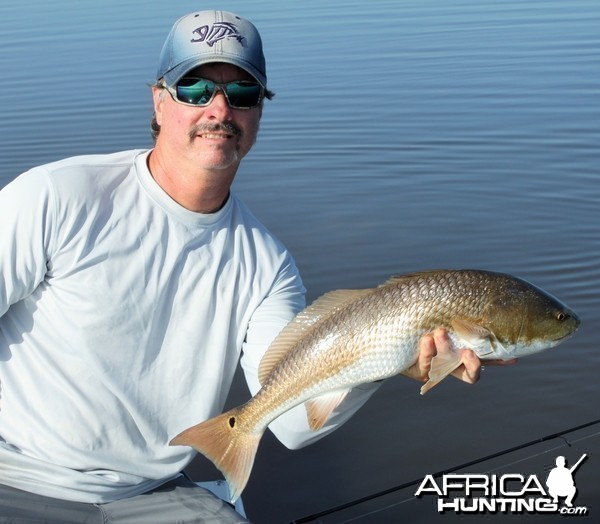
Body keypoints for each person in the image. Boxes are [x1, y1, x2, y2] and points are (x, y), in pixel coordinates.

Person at [0, 10, 502, 523]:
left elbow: (290, 425)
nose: (219, 109)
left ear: (259, 111)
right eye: (195, 88)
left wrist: (386, 356)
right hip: (14, 477)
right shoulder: (57, 197)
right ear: (159, 99)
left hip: (152, 496)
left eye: (242, 93)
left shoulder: (268, 264)